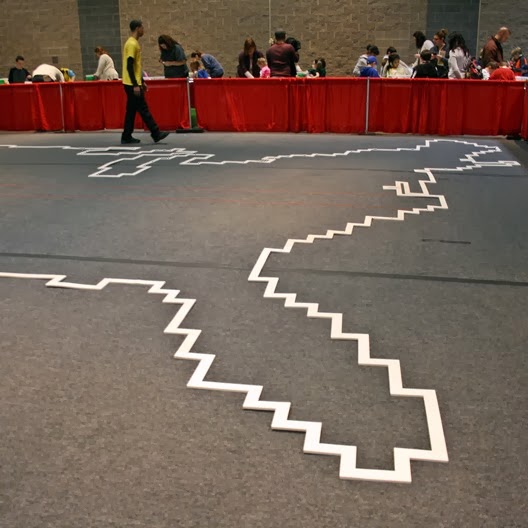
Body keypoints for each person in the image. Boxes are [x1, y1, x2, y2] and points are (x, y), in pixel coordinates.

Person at [121, 19, 169, 145]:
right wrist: (136, 84)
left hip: (130, 83)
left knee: (131, 111)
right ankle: (156, 133)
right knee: (143, 109)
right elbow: (129, 65)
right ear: (137, 28)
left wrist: (141, 81)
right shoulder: (132, 44)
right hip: (131, 84)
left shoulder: (132, 43)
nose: (143, 30)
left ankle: (126, 136)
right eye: (142, 27)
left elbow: (135, 67)